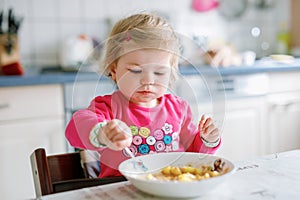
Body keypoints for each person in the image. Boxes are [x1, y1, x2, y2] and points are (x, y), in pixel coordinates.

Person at [65, 13, 221, 178]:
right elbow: (74, 127)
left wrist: (207, 140)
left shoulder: (179, 108)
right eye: (136, 71)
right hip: (120, 190)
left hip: (170, 187)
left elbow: (194, 156)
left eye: (159, 72)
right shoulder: (108, 107)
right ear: (114, 70)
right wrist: (102, 133)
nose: (148, 81)